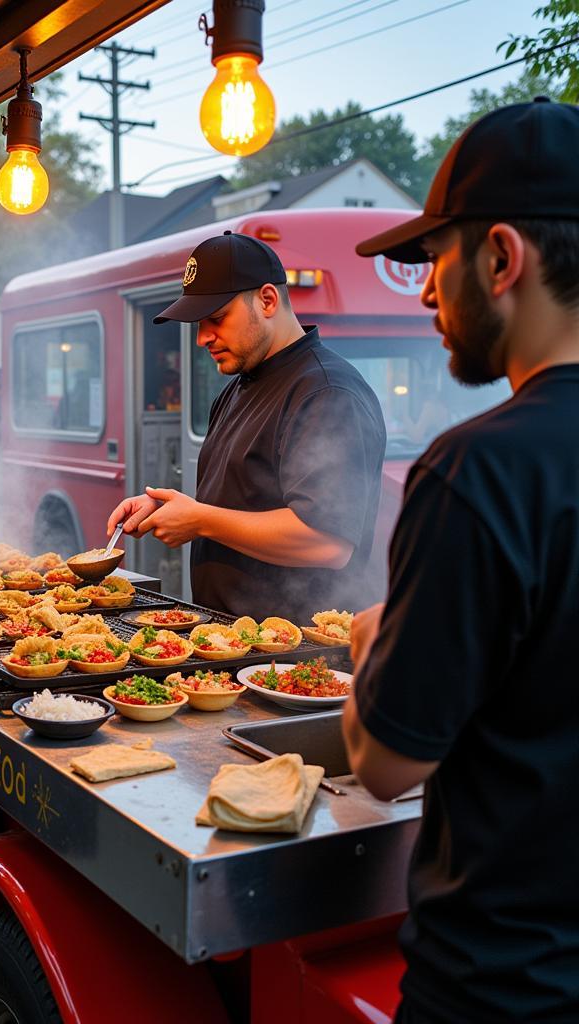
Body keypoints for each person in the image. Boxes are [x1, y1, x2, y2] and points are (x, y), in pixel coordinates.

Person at [343, 99, 579, 1024]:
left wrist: (374, 641)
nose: (429, 295)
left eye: (435, 262)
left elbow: (388, 763)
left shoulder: (478, 471)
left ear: (501, 259)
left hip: (500, 989)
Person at [107, 232, 386, 622]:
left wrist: (199, 520)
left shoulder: (327, 391)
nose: (203, 337)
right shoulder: (237, 387)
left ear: (267, 300)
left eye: (216, 319)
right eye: (198, 323)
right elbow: (242, 500)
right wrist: (171, 509)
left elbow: (326, 541)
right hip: (229, 641)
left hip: (295, 658)